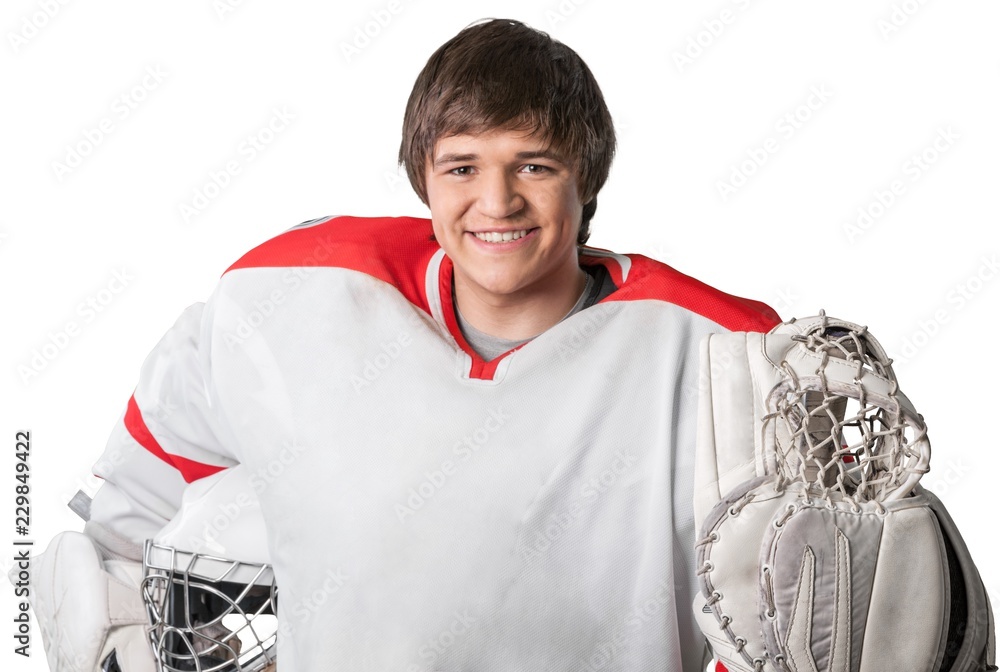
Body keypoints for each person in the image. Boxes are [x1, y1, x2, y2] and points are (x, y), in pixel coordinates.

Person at [41, 18, 780, 672]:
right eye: (462, 167)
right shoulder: (291, 294)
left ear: (585, 177)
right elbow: (135, 515)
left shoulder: (728, 358)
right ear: (423, 179)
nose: (497, 203)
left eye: (534, 165)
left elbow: (796, 612)